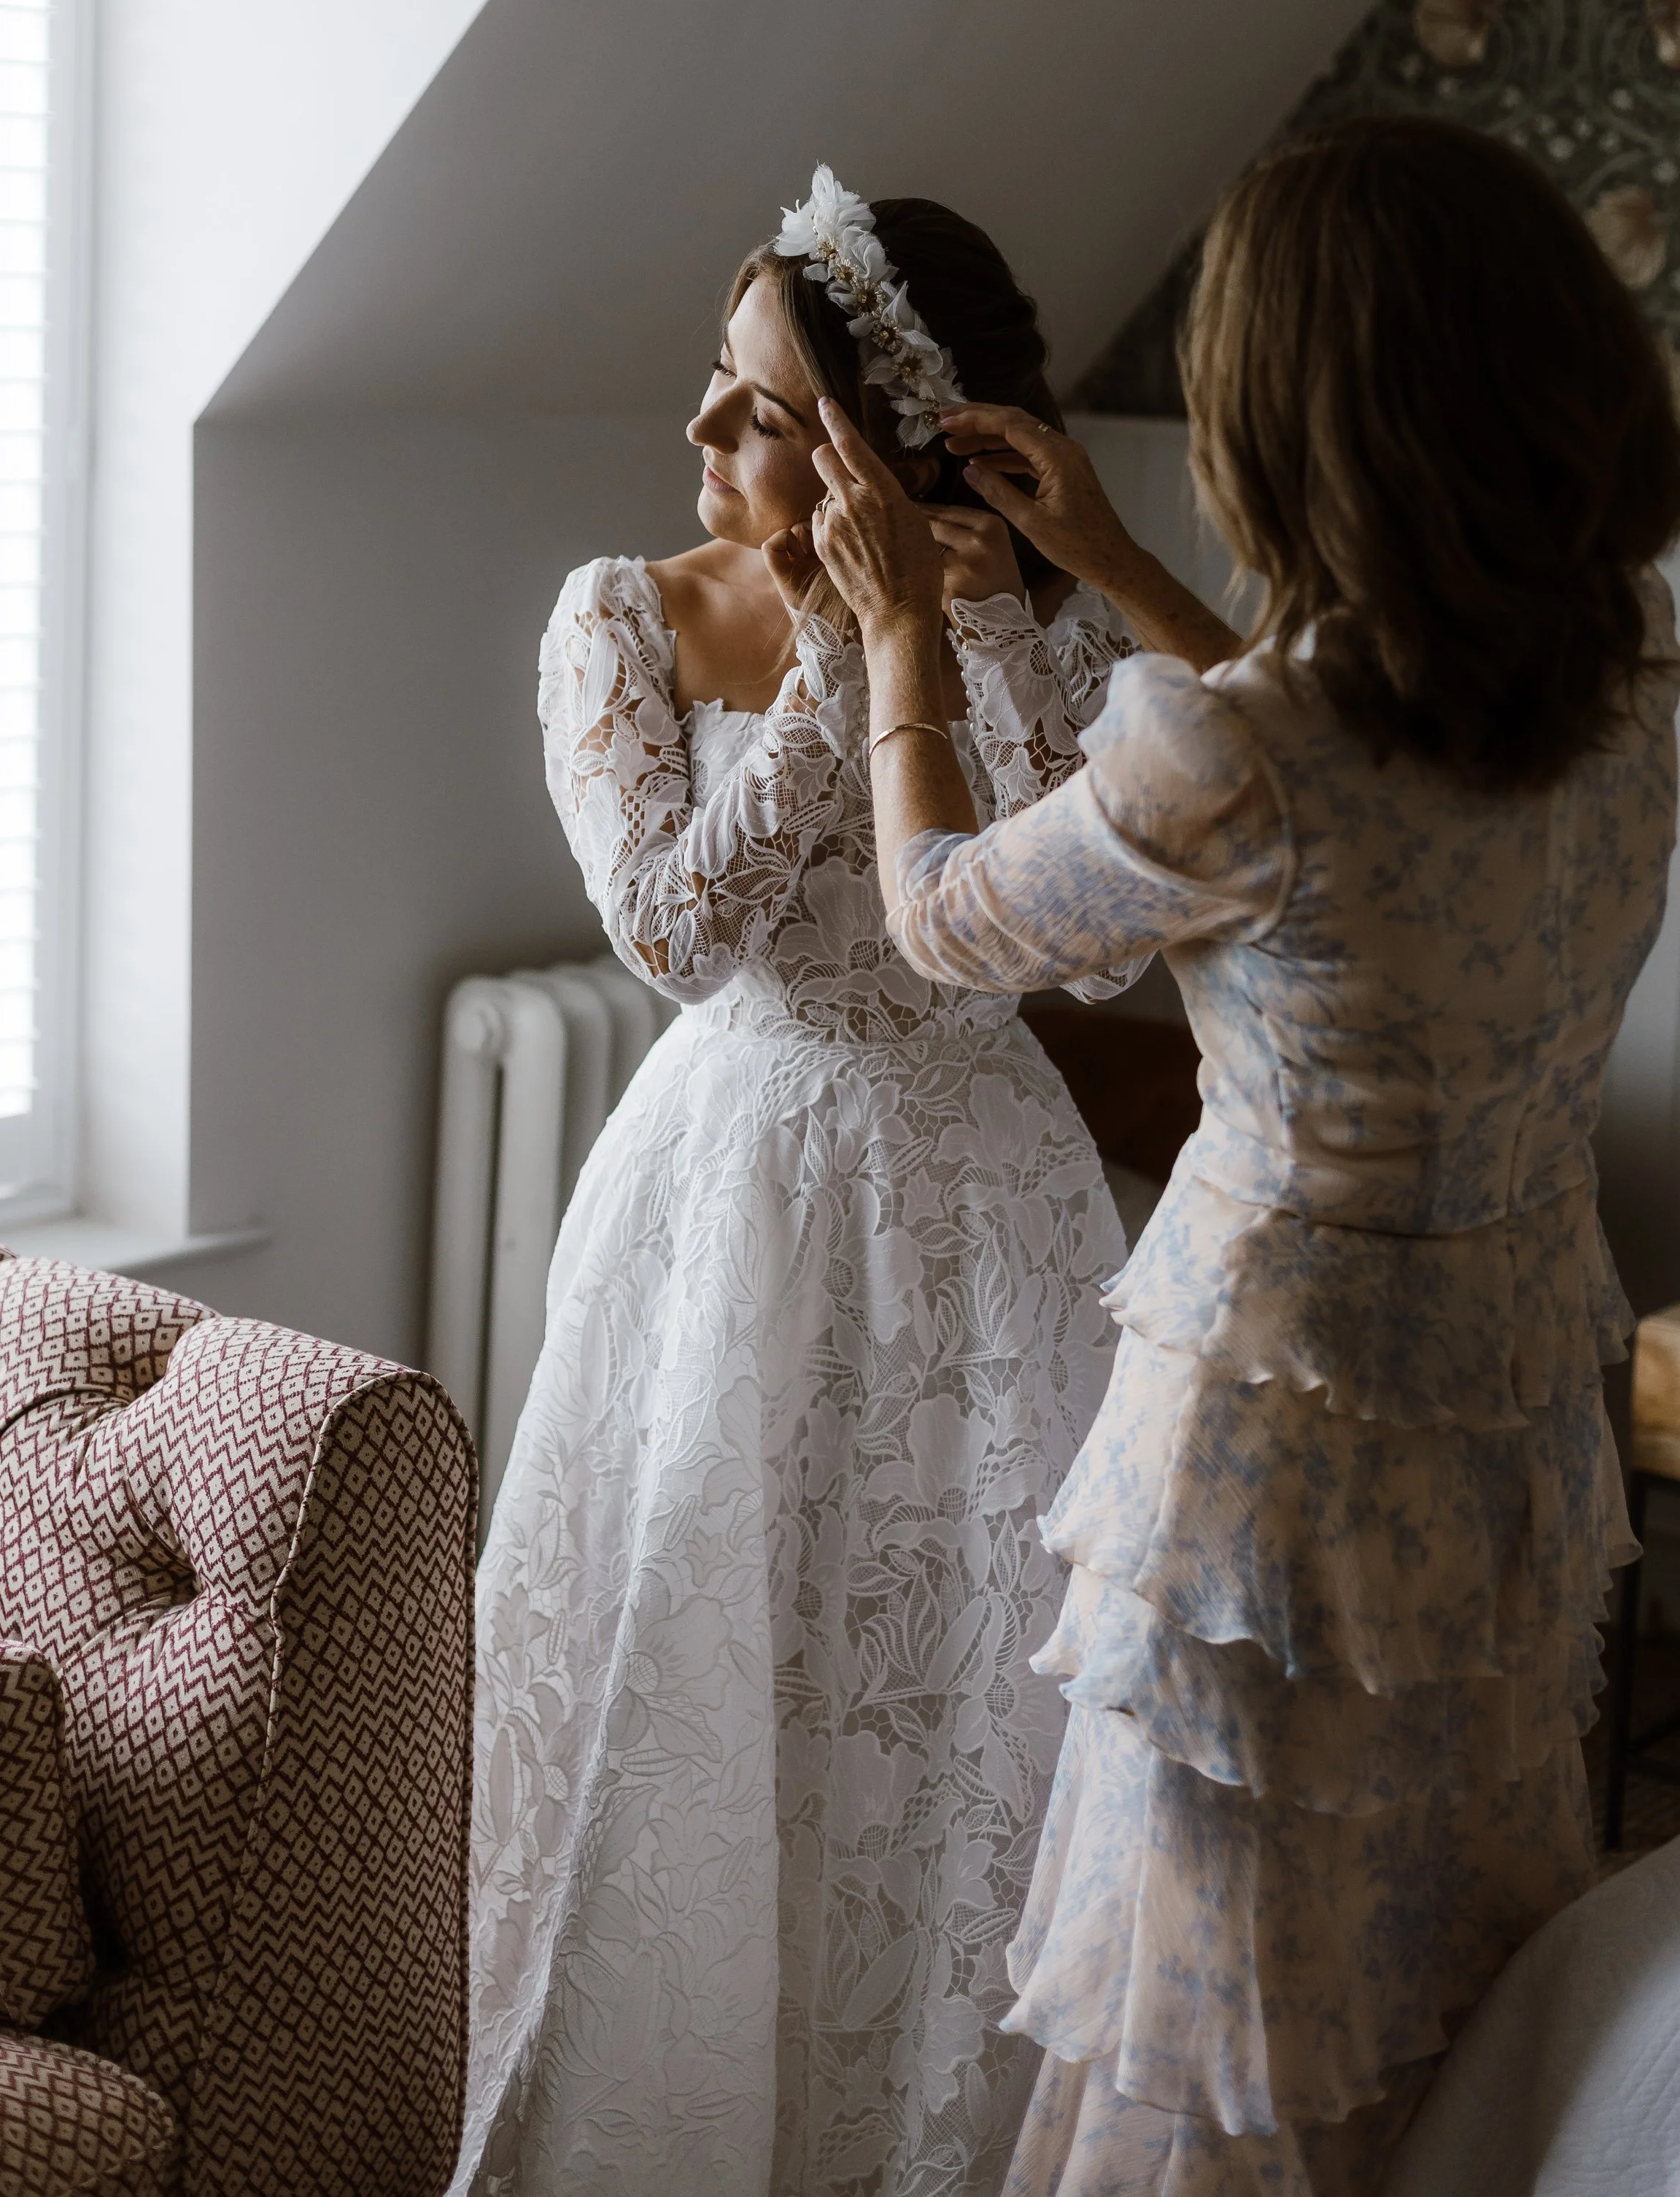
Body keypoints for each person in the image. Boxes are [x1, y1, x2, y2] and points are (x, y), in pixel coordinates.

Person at [806, 115, 1680, 2197]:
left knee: (1234, 1992)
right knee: (1441, 1961)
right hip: (1493, 1419)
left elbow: (944, 917)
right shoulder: (1617, 675)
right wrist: (1109, 565)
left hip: (1276, 1485)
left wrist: (893, 637)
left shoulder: (1240, 749)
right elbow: (1342, 774)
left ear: (1298, 423)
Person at [458, 174, 1177, 2196]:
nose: (701, 436)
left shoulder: (1033, 609)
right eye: (716, 386)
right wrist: (835, 665)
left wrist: (952, 625)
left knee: (949, 1712)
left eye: (758, 408)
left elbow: (1104, 951)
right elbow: (678, 933)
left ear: (879, 445)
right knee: (698, 1670)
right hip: (733, 1199)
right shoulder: (627, 613)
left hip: (982, 1209)